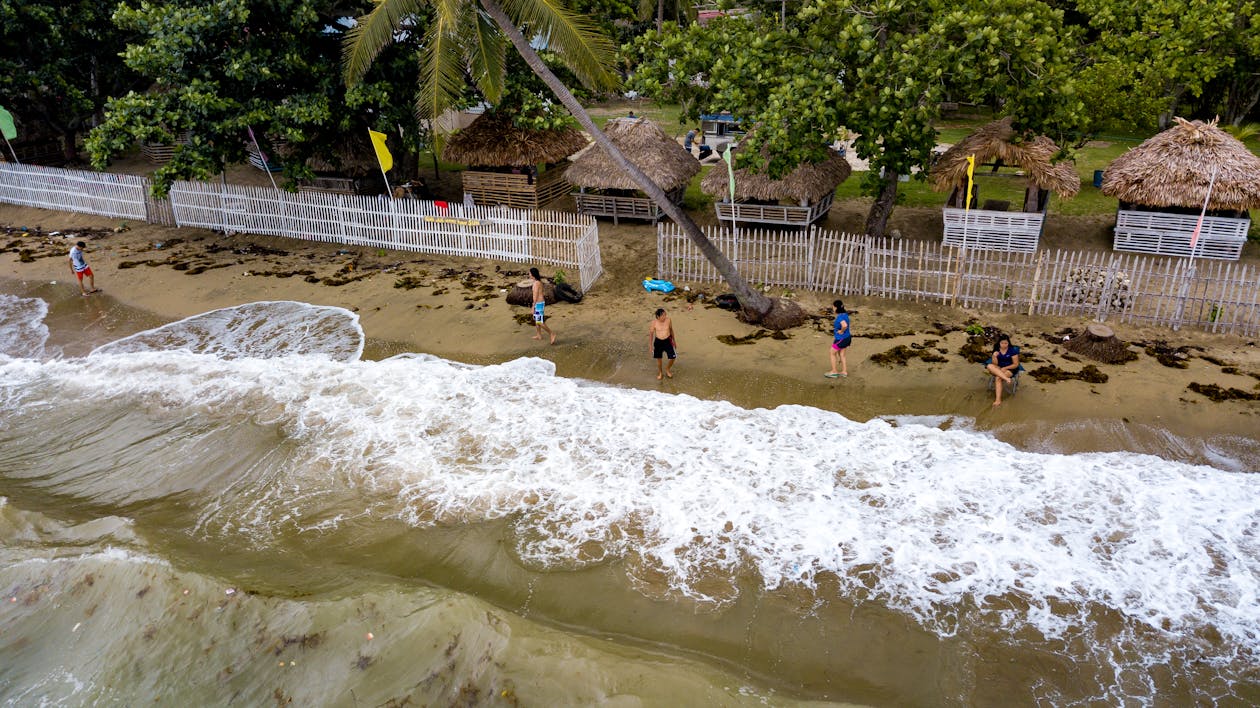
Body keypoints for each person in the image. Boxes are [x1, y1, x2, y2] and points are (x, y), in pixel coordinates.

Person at [986, 335, 1021, 407]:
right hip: (999, 367)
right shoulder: (996, 349)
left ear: (1008, 343)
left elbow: (1016, 364)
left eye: (1006, 343)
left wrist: (1005, 368)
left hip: (1010, 368)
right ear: (999, 343)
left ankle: (998, 400)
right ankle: (1006, 379)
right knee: (989, 366)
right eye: (1002, 343)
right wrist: (994, 356)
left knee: (998, 378)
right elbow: (995, 364)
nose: (1004, 345)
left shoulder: (1012, 350)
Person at [825, 300, 851, 378]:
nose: (833, 308)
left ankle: (834, 371)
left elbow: (845, 325)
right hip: (847, 338)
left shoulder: (840, 317)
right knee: (842, 355)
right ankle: (844, 372)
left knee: (832, 352)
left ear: (836, 307)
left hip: (841, 339)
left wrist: (841, 331)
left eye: (833, 306)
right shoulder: (845, 314)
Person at [529, 267, 555, 345]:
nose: (529, 274)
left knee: (539, 321)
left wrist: (533, 307)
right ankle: (539, 335)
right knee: (537, 320)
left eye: (529, 273)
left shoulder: (536, 283)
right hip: (539, 303)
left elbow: (536, 295)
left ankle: (551, 333)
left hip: (539, 304)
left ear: (533, 274)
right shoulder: (537, 282)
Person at [649, 308, 677, 380]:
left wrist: (674, 341)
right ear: (658, 317)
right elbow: (651, 334)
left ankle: (667, 369)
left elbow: (671, 330)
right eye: (663, 315)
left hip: (668, 340)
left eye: (665, 315)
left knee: (673, 357)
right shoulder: (654, 323)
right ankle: (660, 373)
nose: (665, 316)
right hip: (658, 342)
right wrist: (650, 346)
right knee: (659, 359)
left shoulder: (668, 320)